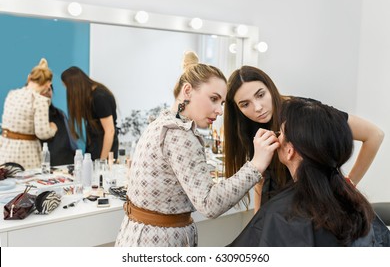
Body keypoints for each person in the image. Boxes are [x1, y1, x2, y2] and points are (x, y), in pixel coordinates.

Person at [115, 52, 276, 247]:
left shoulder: (162, 122)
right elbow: (209, 204)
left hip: (137, 236)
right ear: (188, 90)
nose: (219, 110)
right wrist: (256, 165)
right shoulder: (179, 134)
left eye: (222, 103)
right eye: (214, 99)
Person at [228, 98, 389, 246]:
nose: (277, 135)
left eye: (281, 132)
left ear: (290, 150)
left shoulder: (279, 215)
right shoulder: (356, 204)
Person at [224, 66, 385, 213]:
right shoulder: (248, 125)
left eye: (260, 95)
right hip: (274, 207)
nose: (257, 107)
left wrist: (350, 183)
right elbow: (261, 176)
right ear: (237, 108)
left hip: (309, 208)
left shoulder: (303, 112)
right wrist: (258, 221)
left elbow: (374, 135)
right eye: (245, 104)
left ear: (270, 88)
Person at [0, 58, 57, 169]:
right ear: (48, 84)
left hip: (5, 147)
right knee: (28, 184)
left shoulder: (12, 94)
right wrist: (53, 128)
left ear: (29, 78)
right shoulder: (40, 101)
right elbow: (43, 133)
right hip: (26, 153)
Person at [61, 66, 118, 161]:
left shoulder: (100, 97)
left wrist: (102, 161)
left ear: (74, 86)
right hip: (94, 144)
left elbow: (110, 131)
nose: (68, 91)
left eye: (67, 87)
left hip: (105, 147)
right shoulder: (89, 97)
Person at [40, 85, 78, 166]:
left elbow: (70, 141)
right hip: (41, 163)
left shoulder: (60, 114)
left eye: (49, 90)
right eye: (43, 90)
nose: (46, 93)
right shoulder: (30, 116)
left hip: (63, 162)